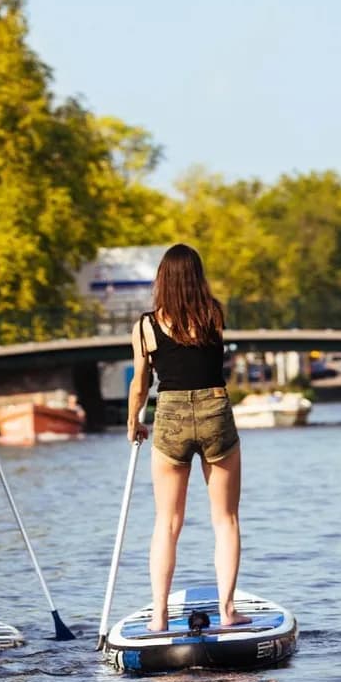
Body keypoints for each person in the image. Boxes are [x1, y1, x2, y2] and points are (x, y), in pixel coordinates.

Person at [127, 243, 250, 631]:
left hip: (171, 415)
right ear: (197, 278)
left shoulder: (146, 326)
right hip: (215, 411)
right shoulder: (213, 314)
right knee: (225, 519)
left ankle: (160, 616)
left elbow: (140, 383)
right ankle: (228, 611)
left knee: (167, 522)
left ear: (162, 279)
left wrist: (133, 421)